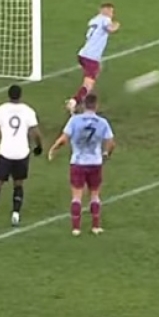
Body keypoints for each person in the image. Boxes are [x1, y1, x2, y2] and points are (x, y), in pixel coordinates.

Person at [49, 93, 115, 236]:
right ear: (96, 105)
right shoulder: (102, 122)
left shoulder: (74, 120)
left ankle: (76, 228)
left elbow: (63, 139)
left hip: (78, 162)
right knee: (95, 195)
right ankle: (95, 226)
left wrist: (53, 149)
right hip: (95, 163)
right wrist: (106, 154)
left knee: (76, 196)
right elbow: (111, 143)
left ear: (84, 105)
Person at [0, 84, 43, 228]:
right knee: (18, 183)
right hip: (22, 153)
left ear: (8, 95)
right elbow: (36, 133)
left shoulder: (0, 110)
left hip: (5, 152)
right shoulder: (28, 111)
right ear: (20, 95)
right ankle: (15, 215)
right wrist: (39, 146)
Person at [65, 3, 120, 114]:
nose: (111, 14)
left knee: (93, 76)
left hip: (83, 54)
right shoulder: (105, 19)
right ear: (104, 10)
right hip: (91, 58)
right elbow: (110, 28)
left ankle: (84, 100)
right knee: (88, 85)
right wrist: (116, 25)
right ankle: (74, 102)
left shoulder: (95, 20)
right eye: (110, 11)